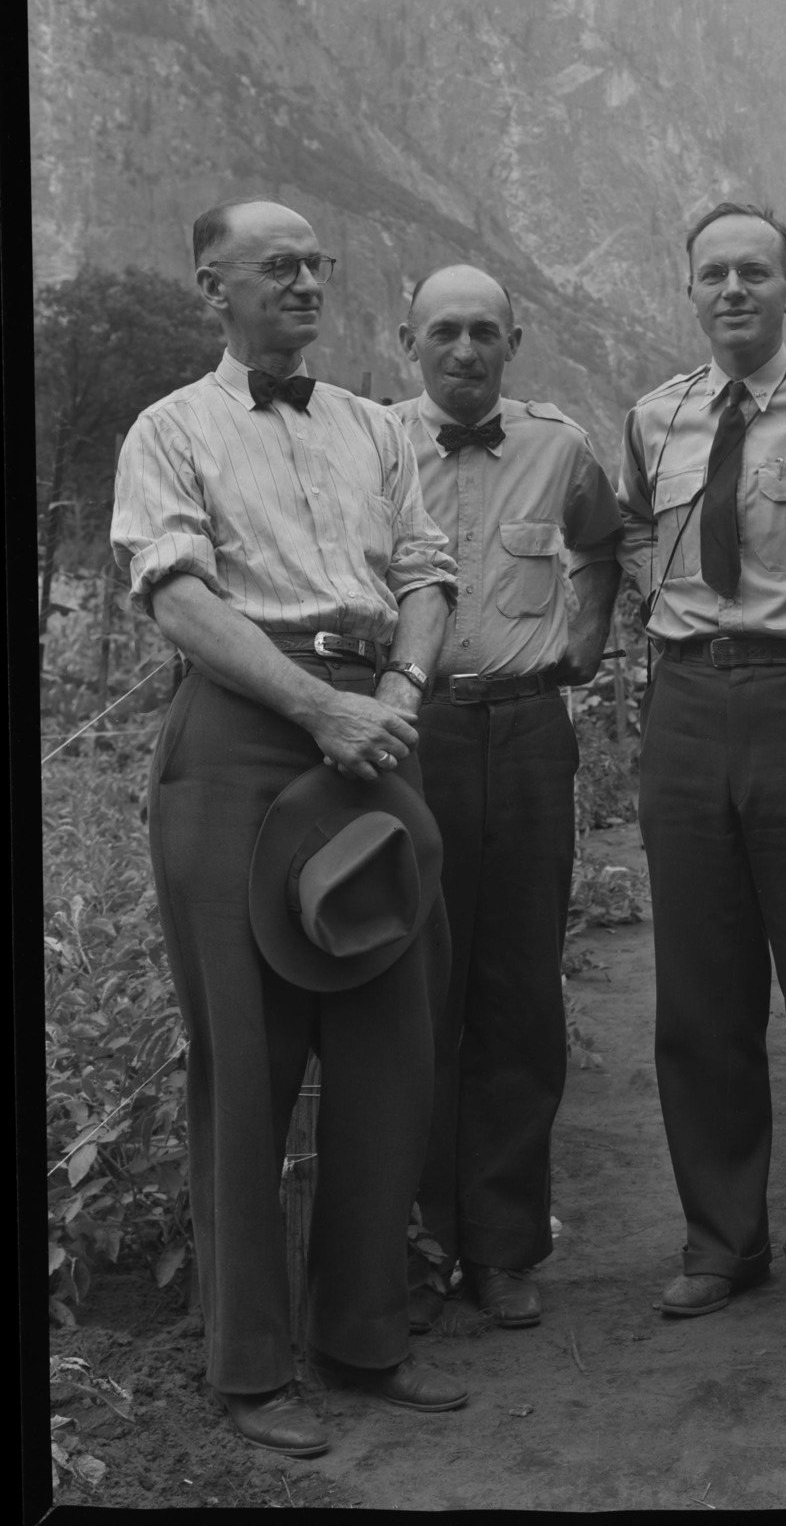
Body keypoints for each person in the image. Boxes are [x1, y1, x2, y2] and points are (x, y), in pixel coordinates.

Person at [111, 200, 468, 1459]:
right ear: (215, 284)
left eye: (319, 262)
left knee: (389, 1035)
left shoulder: (376, 426)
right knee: (245, 1056)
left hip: (371, 728)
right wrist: (318, 704)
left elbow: (426, 574)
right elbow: (179, 593)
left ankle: (365, 1336)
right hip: (244, 736)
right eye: (279, 265)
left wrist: (398, 696)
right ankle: (249, 1366)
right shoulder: (170, 430)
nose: (307, 280)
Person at [616, 201, 786, 1320]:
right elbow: (629, 531)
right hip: (685, 703)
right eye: (713, 272)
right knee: (700, 987)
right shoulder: (652, 416)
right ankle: (722, 1237)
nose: (733, 289)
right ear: (690, 290)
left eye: (754, 272)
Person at [392, 264, 622, 1331]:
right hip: (415, 731)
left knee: (519, 991)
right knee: (412, 980)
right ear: (410, 339)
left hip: (530, 732)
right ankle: (421, 1232)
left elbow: (602, 541)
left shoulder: (559, 445)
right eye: (446, 330)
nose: (466, 350)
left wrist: (583, 643)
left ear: (513, 340)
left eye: (486, 331)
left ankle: (505, 1244)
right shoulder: (373, 442)